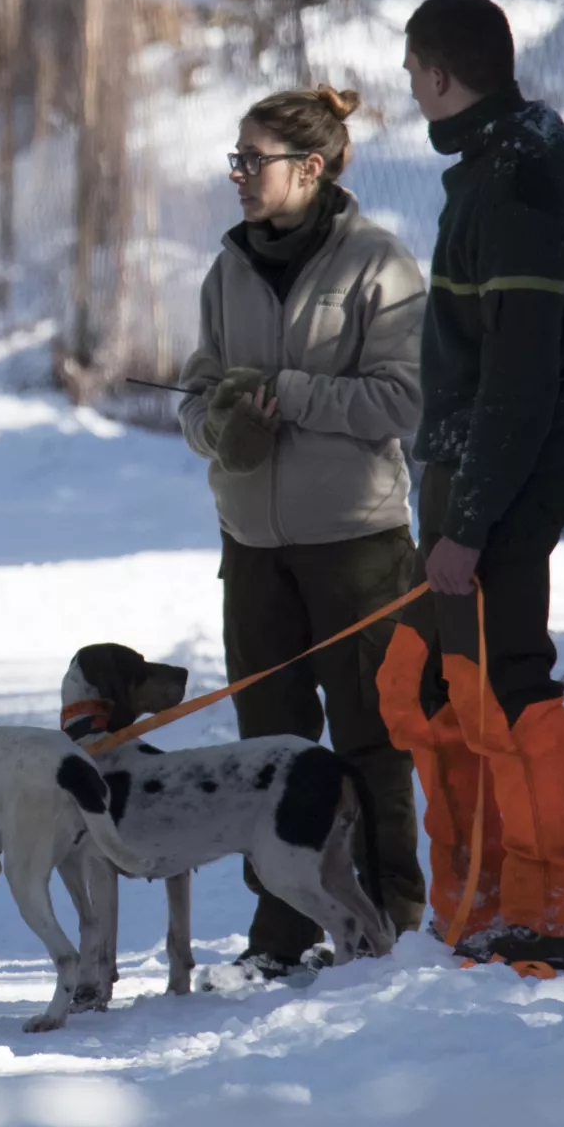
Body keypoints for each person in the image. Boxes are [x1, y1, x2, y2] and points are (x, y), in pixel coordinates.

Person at [375, 0, 564, 973]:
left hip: (506, 476)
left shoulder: (516, 181)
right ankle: (480, 900)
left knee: (510, 687)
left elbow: (519, 377)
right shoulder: (505, 156)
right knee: (452, 684)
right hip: (481, 469)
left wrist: (467, 522)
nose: (408, 88)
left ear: (439, 74)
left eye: (410, 72)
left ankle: (545, 909)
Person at [177, 85, 429, 978]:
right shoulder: (228, 268)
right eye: (236, 160)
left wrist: (291, 394)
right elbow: (196, 388)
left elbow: (406, 399)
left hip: (356, 544)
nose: (240, 177)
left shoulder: (379, 264)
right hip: (251, 547)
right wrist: (217, 423)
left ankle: (390, 917)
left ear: (310, 169)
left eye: (256, 161)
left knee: (370, 738)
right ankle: (281, 935)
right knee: (268, 749)